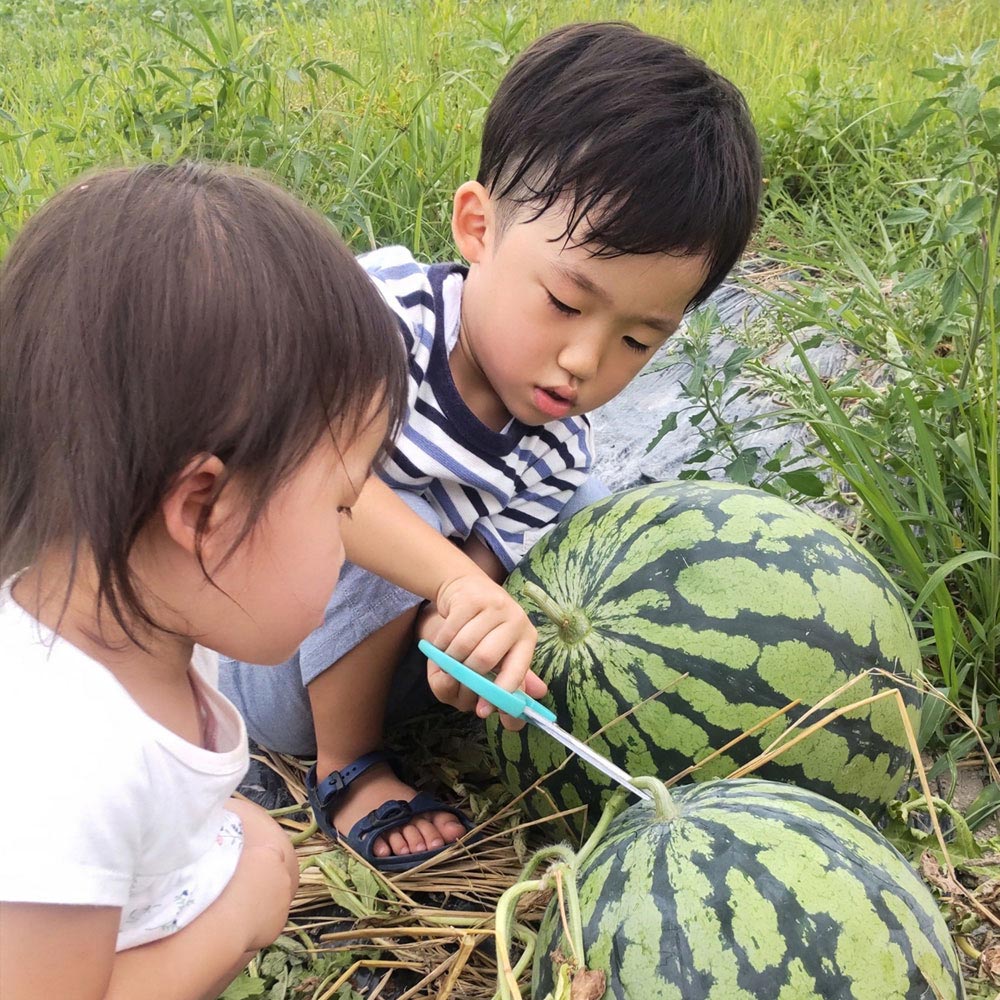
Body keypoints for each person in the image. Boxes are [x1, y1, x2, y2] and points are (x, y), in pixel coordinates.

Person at [220, 20, 762, 870]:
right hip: (266, 649)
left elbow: (476, 571)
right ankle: (349, 770)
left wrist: (458, 639)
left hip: (385, 653)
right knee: (382, 512)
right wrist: (444, 578)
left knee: (585, 518)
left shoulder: (557, 449)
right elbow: (308, 476)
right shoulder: (377, 317)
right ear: (479, 228)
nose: (584, 361)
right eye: (566, 303)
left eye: (638, 341)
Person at [0, 162, 536, 999]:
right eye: (341, 503)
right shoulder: (66, 761)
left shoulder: (146, 630)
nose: (358, 535)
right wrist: (241, 910)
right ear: (204, 511)